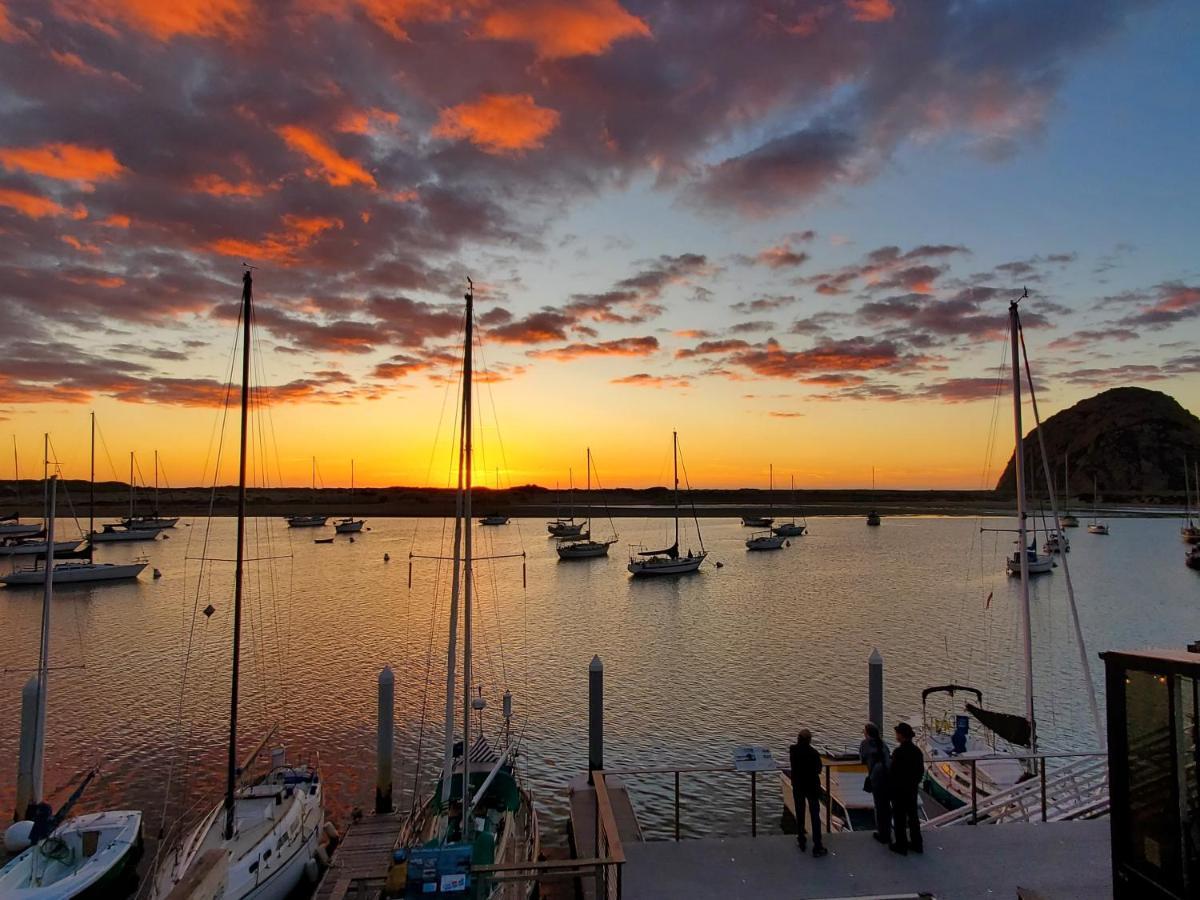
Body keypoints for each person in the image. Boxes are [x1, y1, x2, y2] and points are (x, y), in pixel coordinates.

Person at [788, 729, 828, 857]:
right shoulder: (814, 753)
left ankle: (801, 840)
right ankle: (817, 845)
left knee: (800, 813)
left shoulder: (793, 750)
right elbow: (818, 770)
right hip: (812, 786)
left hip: (798, 786)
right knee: (815, 815)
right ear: (809, 740)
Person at [889, 721, 924, 854]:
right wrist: (914, 783)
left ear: (901, 735)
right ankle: (917, 843)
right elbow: (920, 771)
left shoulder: (898, 752)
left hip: (899, 790)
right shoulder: (917, 752)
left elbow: (893, 772)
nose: (896, 735)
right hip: (912, 789)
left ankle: (901, 844)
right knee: (913, 817)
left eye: (897, 733)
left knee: (899, 818)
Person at [859, 723, 891, 844]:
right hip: (889, 776)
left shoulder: (865, 744)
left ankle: (882, 834)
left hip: (877, 777)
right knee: (887, 806)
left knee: (879, 805)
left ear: (867, 733)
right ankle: (888, 831)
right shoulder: (883, 744)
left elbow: (862, 758)